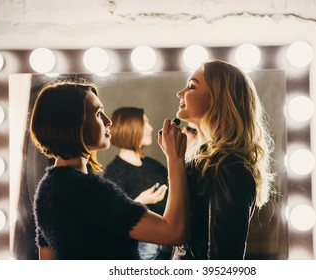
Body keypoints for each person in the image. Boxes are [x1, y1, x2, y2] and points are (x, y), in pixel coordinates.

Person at [29, 80, 188, 260]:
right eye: (98, 114)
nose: (108, 121)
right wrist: (175, 158)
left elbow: (48, 261)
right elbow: (173, 233)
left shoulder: (47, 189)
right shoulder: (89, 191)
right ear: (75, 124)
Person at [172, 59, 274, 260]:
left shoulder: (229, 168)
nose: (180, 93)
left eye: (191, 86)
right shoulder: (203, 162)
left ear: (218, 98)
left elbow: (224, 261)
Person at [103, 107, 172, 260]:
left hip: (170, 244)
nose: (151, 128)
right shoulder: (113, 173)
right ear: (129, 128)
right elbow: (111, 223)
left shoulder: (155, 165)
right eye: (144, 123)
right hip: (143, 249)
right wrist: (141, 201)